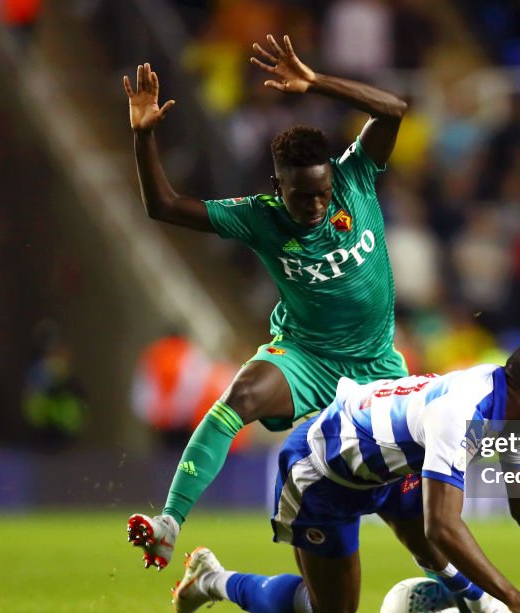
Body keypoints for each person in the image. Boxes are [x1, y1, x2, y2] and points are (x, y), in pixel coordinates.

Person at [123, 35, 411, 571]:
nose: (317, 205)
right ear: (277, 186)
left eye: (323, 193)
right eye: (302, 196)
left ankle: (468, 604)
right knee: (240, 396)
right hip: (305, 356)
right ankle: (169, 522)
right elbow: (162, 206)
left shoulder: (356, 176)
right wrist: (144, 138)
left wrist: (318, 82)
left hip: (377, 367)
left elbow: (394, 108)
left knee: (408, 510)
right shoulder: (258, 216)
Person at [171, 342, 520, 613]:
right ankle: (212, 580)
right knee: (334, 612)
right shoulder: (464, 414)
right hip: (324, 471)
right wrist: (513, 596)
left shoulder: (515, 415)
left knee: (431, 547)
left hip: (391, 468)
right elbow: (444, 525)